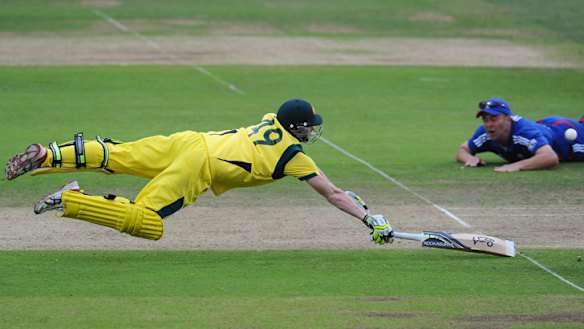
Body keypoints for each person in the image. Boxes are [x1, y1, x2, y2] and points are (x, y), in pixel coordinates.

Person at [5, 99, 394, 244]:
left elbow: (337, 189)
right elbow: (332, 193)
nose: (310, 130)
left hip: (191, 140)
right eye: (307, 126)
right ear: (295, 128)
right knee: (148, 224)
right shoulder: (293, 156)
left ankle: (49, 155)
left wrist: (353, 201)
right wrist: (367, 218)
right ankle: (72, 201)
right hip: (200, 166)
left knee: (116, 154)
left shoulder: (269, 120)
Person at [456, 97, 584, 172]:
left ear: (508, 119)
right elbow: (463, 149)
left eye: (494, 118)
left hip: (568, 136)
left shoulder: (523, 133)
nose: (489, 124)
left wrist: (517, 165)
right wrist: (469, 158)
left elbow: (550, 157)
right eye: (485, 119)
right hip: (545, 126)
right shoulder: (486, 133)